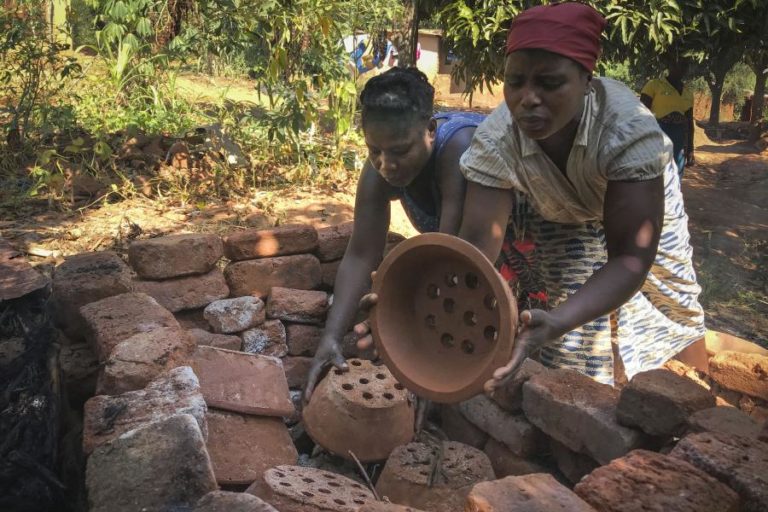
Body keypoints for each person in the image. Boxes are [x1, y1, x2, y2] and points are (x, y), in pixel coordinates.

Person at [452, 2, 706, 390]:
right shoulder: (496, 137)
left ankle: (698, 392)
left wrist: (561, 320)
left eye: (549, 83)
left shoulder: (626, 129)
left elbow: (631, 257)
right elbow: (476, 244)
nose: (527, 98)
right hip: (556, 202)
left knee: (671, 293)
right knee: (564, 310)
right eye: (515, 81)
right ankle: (579, 389)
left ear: (587, 81)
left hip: (637, 196)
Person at [303, 67, 486, 401]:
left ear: (430, 130)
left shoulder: (458, 148)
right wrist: (330, 337)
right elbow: (361, 254)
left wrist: (427, 369)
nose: (386, 165)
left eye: (400, 152)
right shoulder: (379, 171)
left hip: (541, 246)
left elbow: (446, 261)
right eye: (374, 150)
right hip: (478, 265)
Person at [640, 57, 695, 177]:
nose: (683, 68)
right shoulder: (654, 85)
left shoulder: (688, 93)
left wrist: (690, 149)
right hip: (658, 136)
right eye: (680, 64)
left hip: (679, 139)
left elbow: (689, 123)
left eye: (686, 65)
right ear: (670, 65)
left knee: (676, 172)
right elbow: (641, 114)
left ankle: (673, 195)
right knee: (656, 173)